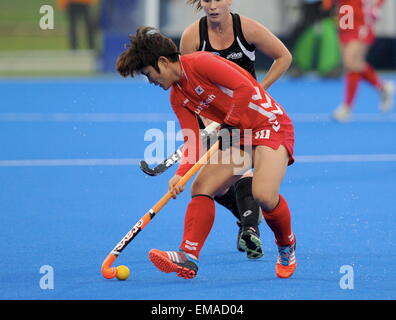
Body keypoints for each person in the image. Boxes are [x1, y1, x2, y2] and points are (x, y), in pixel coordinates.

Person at [116, 27, 297, 279]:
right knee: (200, 185)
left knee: (264, 195)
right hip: (239, 134)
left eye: (149, 74)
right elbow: (192, 141)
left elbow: (245, 87)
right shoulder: (177, 97)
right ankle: (188, 255)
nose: (152, 82)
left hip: (269, 124)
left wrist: (231, 120)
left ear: (162, 62)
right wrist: (180, 174)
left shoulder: (201, 63)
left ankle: (286, 245)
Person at [179, 0, 293, 259]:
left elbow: (283, 56)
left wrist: (259, 91)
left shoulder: (247, 29)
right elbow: (187, 84)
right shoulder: (192, 36)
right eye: (207, 0)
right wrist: (209, 124)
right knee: (215, 187)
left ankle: (251, 227)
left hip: (250, 116)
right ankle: (246, 221)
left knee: (243, 174)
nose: (213, 5)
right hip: (212, 114)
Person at [326, 0, 394, 121]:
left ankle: (347, 107)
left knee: (351, 62)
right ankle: (383, 87)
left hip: (360, 21)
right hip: (345, 21)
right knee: (353, 65)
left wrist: (377, 6)